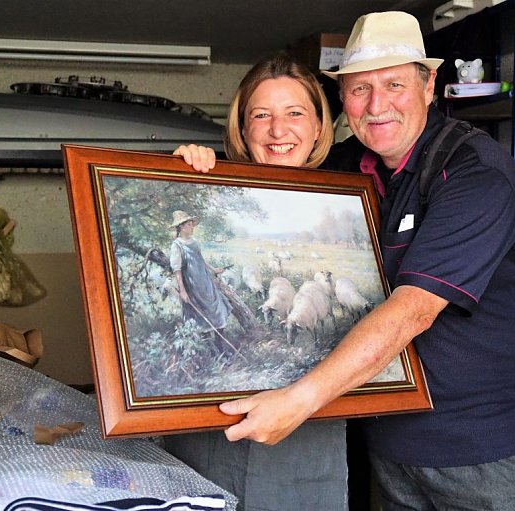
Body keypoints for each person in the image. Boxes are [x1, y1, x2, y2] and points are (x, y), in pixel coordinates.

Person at [217, 11, 515, 511]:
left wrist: (298, 401)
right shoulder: (347, 170)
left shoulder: (478, 174)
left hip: (487, 445)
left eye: (394, 84)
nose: (377, 105)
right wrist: (196, 168)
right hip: (392, 437)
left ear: (429, 86)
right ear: (343, 99)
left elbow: (414, 310)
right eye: (360, 89)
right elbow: (278, 163)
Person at [165, 52, 348, 511]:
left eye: (295, 113)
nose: (278, 130)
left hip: (311, 437)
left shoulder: (350, 200)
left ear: (319, 127)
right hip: (211, 435)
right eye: (261, 115)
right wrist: (176, 175)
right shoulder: (206, 186)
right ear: (242, 130)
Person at [168, 209, 232, 352]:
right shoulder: (177, 245)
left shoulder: (194, 242)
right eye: (189, 224)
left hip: (206, 282)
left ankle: (221, 349)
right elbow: (177, 270)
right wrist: (183, 291)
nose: (192, 227)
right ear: (181, 227)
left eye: (192, 224)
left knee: (217, 310)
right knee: (201, 316)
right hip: (193, 286)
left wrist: (213, 269)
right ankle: (211, 352)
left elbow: (200, 259)